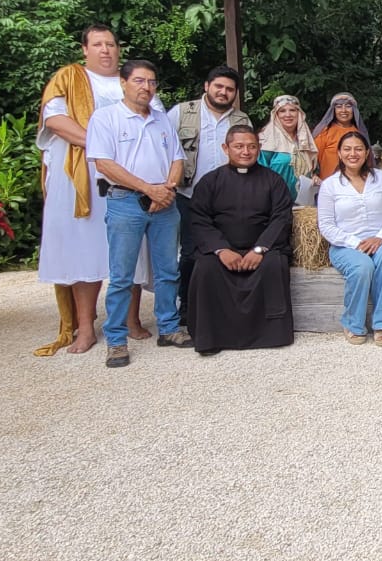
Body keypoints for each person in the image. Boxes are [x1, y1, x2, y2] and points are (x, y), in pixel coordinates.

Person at [34, 24, 150, 356]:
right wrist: (101, 145)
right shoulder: (68, 78)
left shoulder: (133, 80)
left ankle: (131, 320)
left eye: (111, 44)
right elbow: (55, 121)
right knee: (85, 249)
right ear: (84, 49)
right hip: (81, 177)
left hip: (129, 177)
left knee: (131, 248)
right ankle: (84, 327)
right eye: (98, 44)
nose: (105, 50)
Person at [85, 60, 192, 367]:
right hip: (126, 201)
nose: (147, 87)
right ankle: (116, 339)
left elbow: (177, 159)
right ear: (123, 82)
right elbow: (104, 164)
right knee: (121, 275)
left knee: (168, 269)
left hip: (164, 202)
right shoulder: (105, 118)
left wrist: (166, 189)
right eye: (140, 81)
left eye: (152, 82)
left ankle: (169, 327)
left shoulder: (161, 121)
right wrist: (148, 189)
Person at [186, 125, 294, 355]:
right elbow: (199, 218)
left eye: (252, 146)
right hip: (223, 248)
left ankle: (269, 335)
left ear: (259, 148)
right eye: (239, 146)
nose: (246, 151)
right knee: (205, 267)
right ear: (226, 148)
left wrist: (259, 249)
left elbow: (281, 218)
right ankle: (212, 336)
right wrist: (220, 249)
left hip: (262, 247)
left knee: (275, 264)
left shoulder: (273, 181)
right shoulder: (210, 181)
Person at [168, 66, 250, 323]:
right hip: (188, 194)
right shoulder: (181, 113)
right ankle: (188, 308)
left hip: (229, 199)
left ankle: (223, 306)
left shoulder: (241, 120)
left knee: (230, 248)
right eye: (219, 87)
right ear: (207, 86)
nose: (223, 92)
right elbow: (165, 149)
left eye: (229, 89)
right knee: (192, 252)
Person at [316, 131, 382, 346]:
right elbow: (326, 225)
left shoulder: (381, 178)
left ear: (366, 153)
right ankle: (353, 323)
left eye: (358, 149)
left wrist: (380, 237)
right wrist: (356, 243)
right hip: (345, 244)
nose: (352, 154)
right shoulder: (330, 185)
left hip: (381, 240)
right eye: (347, 149)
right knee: (362, 266)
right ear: (339, 153)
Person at [257, 94, 318, 203]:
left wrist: (314, 177)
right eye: (282, 111)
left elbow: (310, 171)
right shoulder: (266, 139)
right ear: (276, 114)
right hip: (275, 202)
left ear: (299, 113)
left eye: (292, 110)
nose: (288, 115)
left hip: (303, 204)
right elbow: (259, 174)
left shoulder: (305, 139)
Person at [312, 92, 368, 178]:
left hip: (355, 184)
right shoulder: (324, 132)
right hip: (328, 185)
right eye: (339, 106)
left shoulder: (360, 133)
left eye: (348, 106)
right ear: (333, 110)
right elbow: (312, 160)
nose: (343, 110)